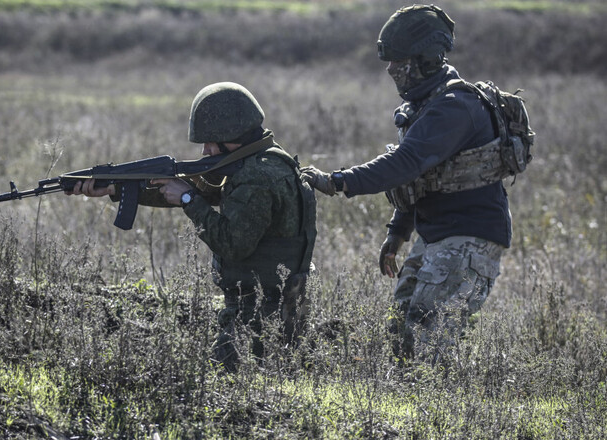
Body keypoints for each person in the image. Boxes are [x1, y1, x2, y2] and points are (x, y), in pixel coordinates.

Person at [302, 4, 510, 363]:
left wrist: (337, 181)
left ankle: (441, 413)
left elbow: (405, 163)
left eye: (399, 60)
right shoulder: (427, 105)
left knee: (430, 336)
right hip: (437, 234)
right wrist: (398, 233)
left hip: (469, 237)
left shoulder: (453, 107)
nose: (391, 68)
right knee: (401, 328)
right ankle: (407, 406)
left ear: (426, 59)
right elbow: (423, 176)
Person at [69, 82, 317, 372]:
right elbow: (211, 193)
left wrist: (188, 199)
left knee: (235, 385)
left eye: (211, 141)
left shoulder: (257, 177)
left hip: (261, 311)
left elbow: (232, 244)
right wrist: (116, 188)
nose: (205, 150)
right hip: (273, 303)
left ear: (232, 135)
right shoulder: (265, 161)